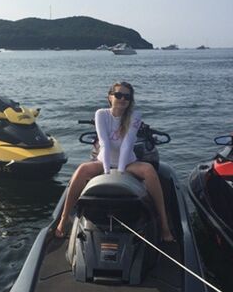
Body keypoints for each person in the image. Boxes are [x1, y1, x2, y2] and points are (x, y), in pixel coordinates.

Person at [55, 81, 174, 242]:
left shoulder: (134, 116)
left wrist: (120, 172)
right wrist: (107, 172)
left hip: (128, 163)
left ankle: (164, 224)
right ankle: (63, 219)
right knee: (82, 170)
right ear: (110, 97)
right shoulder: (101, 114)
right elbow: (104, 142)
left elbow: (127, 144)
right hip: (103, 161)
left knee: (149, 171)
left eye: (127, 96)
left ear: (130, 100)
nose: (123, 99)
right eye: (118, 95)